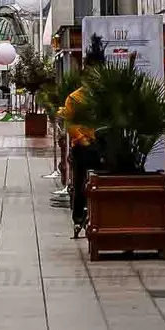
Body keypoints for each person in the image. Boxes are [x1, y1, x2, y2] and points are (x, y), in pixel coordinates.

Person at [58, 87, 99, 232]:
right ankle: (78, 218)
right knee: (80, 181)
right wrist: (83, 140)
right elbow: (70, 124)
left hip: (103, 144)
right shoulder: (75, 98)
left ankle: (99, 214)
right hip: (83, 146)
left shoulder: (104, 93)